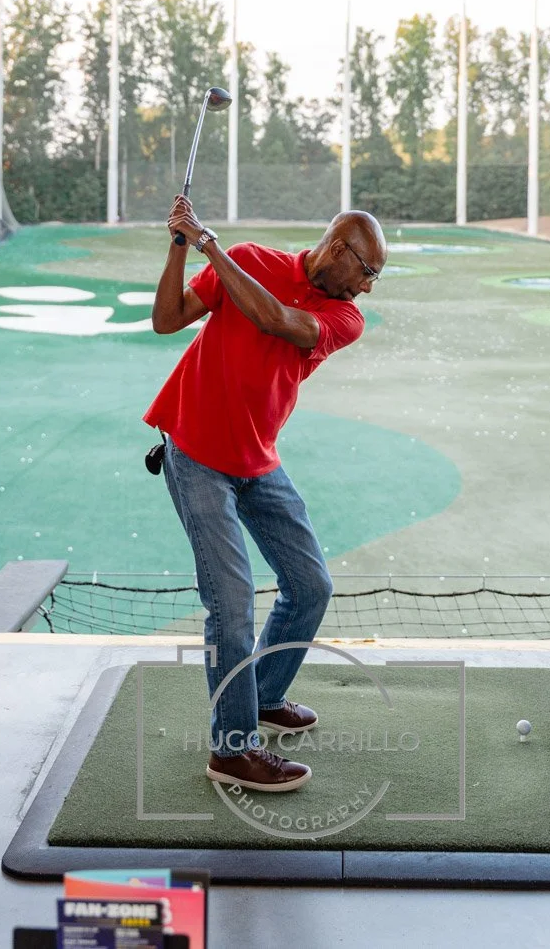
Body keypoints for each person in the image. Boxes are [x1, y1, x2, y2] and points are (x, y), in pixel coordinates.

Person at [145, 197, 386, 793]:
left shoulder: (344, 317)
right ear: (338, 250)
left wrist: (208, 244)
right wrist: (181, 247)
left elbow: (277, 320)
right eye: (367, 272)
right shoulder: (250, 259)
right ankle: (232, 750)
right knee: (230, 605)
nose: (367, 287)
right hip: (196, 454)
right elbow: (167, 320)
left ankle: (264, 696)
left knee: (310, 586)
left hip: (257, 460)